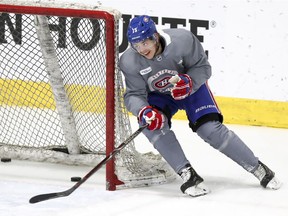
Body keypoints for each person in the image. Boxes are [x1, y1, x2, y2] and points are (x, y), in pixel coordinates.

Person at [119, 15, 281, 197]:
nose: (141, 49)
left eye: (144, 43)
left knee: (210, 129)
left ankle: (257, 167)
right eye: (136, 45)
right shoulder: (129, 61)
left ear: (155, 37)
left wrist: (189, 81)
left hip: (190, 89)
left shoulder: (183, 40)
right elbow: (134, 94)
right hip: (160, 96)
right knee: (152, 125)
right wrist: (144, 110)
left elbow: (203, 68)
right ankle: (187, 173)